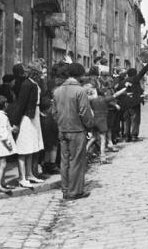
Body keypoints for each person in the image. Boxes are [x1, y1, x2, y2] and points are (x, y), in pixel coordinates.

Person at [53, 62, 94, 200]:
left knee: (64, 161)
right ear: (79, 75)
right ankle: (75, 191)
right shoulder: (80, 91)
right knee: (76, 161)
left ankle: (65, 189)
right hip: (76, 130)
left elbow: (54, 112)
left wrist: (60, 124)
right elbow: (84, 112)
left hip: (62, 130)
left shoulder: (57, 91)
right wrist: (89, 126)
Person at [12, 61, 45, 188]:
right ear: (35, 72)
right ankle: (22, 177)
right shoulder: (27, 84)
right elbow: (21, 104)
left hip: (34, 115)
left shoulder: (34, 83)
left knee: (31, 146)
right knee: (23, 147)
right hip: (26, 118)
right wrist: (16, 123)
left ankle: (30, 174)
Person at [83, 78, 126, 164]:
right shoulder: (104, 100)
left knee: (93, 138)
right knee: (103, 139)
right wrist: (125, 88)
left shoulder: (91, 100)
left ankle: (84, 151)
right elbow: (116, 95)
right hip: (102, 121)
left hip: (94, 120)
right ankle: (102, 157)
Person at [0, 95, 17, 193]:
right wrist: (8, 143)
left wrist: (11, 129)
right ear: (5, 105)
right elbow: (2, 132)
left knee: (1, 164)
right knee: (3, 164)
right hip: (2, 144)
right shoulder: (3, 116)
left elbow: (2, 128)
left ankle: (3, 182)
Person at [123, 61, 148, 142]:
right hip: (134, 103)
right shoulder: (135, 79)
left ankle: (127, 137)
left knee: (127, 120)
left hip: (125, 103)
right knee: (135, 119)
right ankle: (134, 136)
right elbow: (142, 72)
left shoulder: (124, 81)